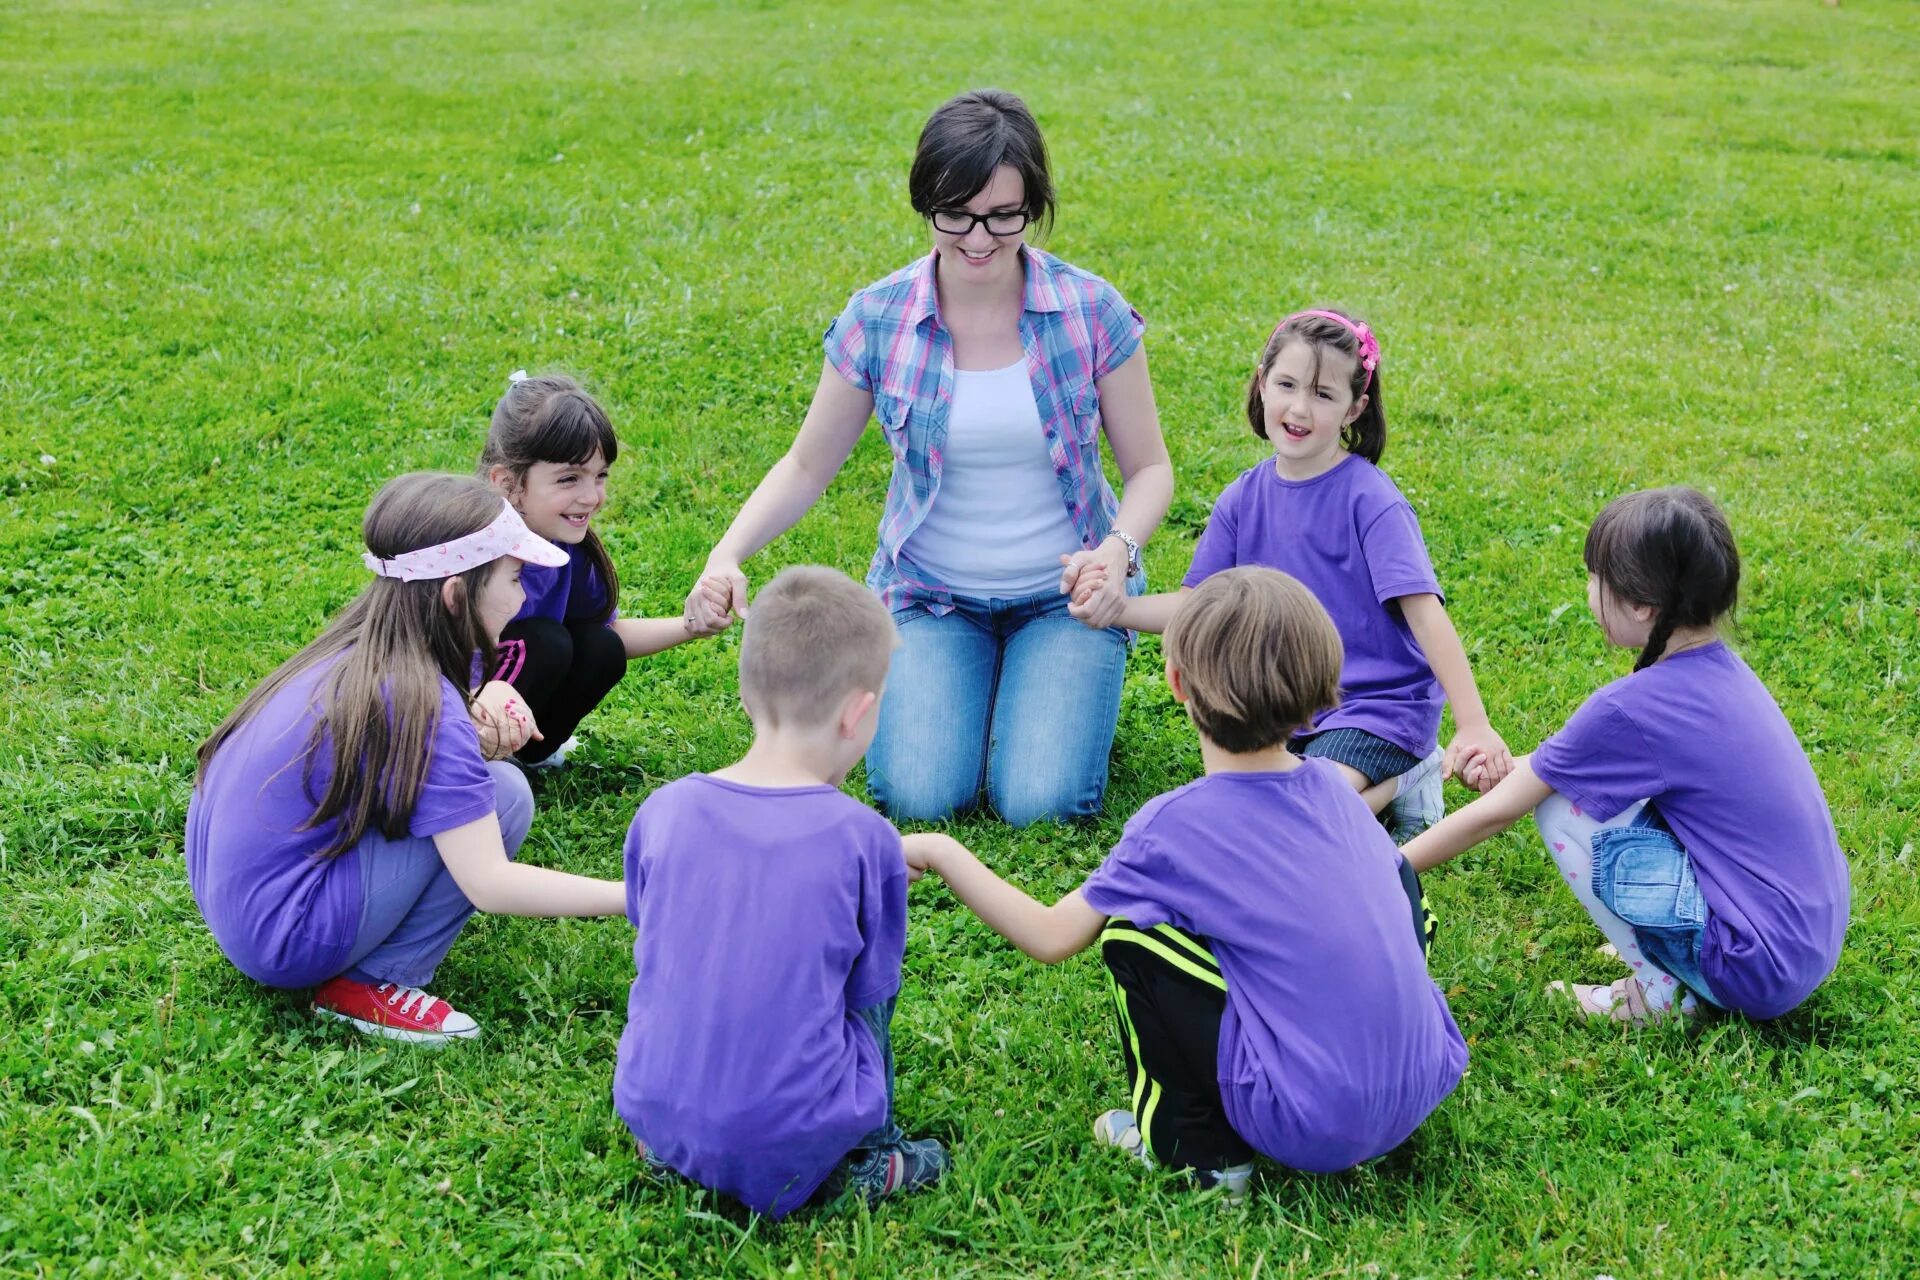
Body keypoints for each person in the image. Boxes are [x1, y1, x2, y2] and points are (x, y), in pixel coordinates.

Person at [684, 88, 1174, 827]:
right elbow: (807, 466)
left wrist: (1116, 548)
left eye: (1003, 216)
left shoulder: (1089, 310)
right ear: (926, 205)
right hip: (931, 597)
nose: (979, 239)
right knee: (920, 795)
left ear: (1033, 207)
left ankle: (1050, 688)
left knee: (1039, 803)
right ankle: (988, 691)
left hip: (1068, 599)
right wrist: (727, 552)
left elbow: (1151, 471)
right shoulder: (879, 318)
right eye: (956, 216)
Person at [905, 569, 1467, 1196]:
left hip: (1310, 1125)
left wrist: (943, 852)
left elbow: (1052, 935)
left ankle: (1199, 1153)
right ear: (1319, 699)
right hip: (1425, 1080)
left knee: (1131, 939)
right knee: (1393, 879)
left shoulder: (1171, 827)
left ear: (1176, 683)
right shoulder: (1337, 791)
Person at [186, 473, 628, 1044]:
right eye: (515, 578)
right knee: (506, 796)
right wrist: (633, 897)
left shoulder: (370, 642)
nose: (523, 598)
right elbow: (489, 883)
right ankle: (371, 982)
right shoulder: (424, 698)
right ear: (454, 595)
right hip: (286, 936)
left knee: (492, 784)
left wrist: (475, 710)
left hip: (239, 902)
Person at [1403, 488, 1849, 1024]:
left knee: (1557, 807)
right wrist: (1510, 772)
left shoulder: (1631, 708)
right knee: (1565, 787)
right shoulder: (1722, 672)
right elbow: (1554, 767)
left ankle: (1661, 996)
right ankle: (1675, 951)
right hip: (1805, 947)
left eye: (1594, 578)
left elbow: (1505, 810)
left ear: (1642, 604)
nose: (1589, 591)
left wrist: (1387, 869)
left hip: (1752, 967)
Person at [1072, 308, 1508, 842]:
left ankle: (1406, 775)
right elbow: (1197, 603)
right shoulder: (1241, 498)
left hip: (1374, 710)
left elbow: (1427, 617)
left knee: (1302, 806)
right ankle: (1367, 784)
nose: (1300, 408)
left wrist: (1473, 724)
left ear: (1355, 409)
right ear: (1261, 384)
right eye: (1287, 385)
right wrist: (1117, 609)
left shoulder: (1371, 500)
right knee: (1255, 803)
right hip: (1284, 707)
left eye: (1324, 395)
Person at [614, 566, 948, 1218]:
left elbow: (649, 925)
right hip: (789, 1139)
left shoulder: (664, 809)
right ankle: (870, 1160)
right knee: (868, 995)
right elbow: (867, 992)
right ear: (860, 713)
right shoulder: (865, 838)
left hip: (655, 1118)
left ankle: (675, 1151)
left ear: (745, 693)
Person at [481, 371, 713, 768]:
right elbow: (426, 665)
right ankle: (478, 753)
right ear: (508, 482)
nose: (591, 497)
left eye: (600, 476)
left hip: (508, 699)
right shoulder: (470, 555)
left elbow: (608, 635)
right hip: (451, 706)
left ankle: (531, 753)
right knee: (546, 641)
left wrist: (691, 625)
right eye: (569, 478)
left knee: (601, 649)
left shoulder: (570, 551)